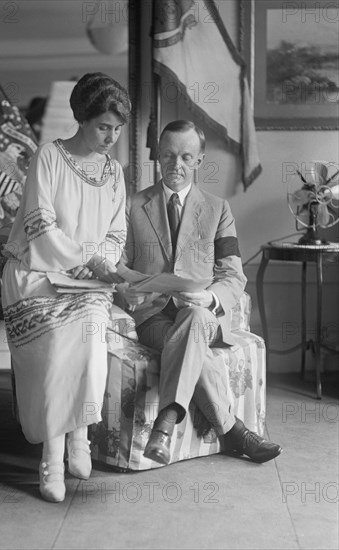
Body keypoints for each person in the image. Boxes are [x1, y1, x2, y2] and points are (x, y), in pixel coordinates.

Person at [118, 120, 282, 466]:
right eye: (167, 155)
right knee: (190, 337)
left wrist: (210, 298)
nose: (175, 165)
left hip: (204, 313)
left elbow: (233, 275)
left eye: (184, 157)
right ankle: (232, 429)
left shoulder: (218, 209)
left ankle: (164, 424)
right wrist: (126, 288)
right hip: (154, 317)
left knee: (195, 316)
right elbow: (118, 264)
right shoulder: (133, 206)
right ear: (157, 157)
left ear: (199, 161)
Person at [0, 73, 131, 502]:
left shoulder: (114, 172)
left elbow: (116, 232)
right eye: (103, 127)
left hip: (87, 282)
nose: (111, 137)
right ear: (83, 118)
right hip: (36, 275)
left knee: (92, 335)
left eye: (117, 129)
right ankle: (52, 457)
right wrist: (83, 259)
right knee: (59, 341)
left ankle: (80, 437)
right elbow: (40, 227)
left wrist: (101, 264)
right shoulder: (49, 157)